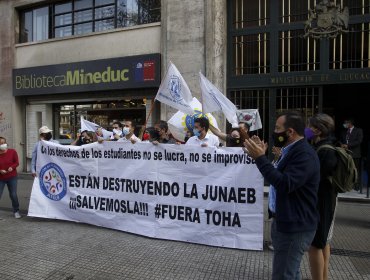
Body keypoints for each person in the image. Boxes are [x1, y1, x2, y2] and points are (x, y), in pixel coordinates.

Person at [243, 111, 320, 280]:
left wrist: (260, 159)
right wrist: (259, 157)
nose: (275, 132)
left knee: (283, 275)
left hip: (295, 227)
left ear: (290, 132)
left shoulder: (304, 154)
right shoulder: (289, 150)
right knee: (291, 273)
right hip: (285, 222)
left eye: (278, 128)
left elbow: (285, 184)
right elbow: (276, 177)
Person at [306, 114, 338, 280]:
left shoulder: (324, 151)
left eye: (309, 126)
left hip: (321, 201)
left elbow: (314, 178)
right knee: (324, 242)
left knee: (315, 244)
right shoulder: (325, 147)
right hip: (326, 200)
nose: (307, 129)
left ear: (317, 130)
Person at [0, 137, 21, 218]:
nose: (2, 145)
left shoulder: (12, 152)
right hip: (1, 178)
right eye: (0, 143)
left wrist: (12, 167)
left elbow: (17, 162)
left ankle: (16, 211)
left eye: (3, 143)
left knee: (13, 194)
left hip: (12, 176)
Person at [340, 118, 363, 190]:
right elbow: (341, 140)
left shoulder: (358, 130)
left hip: (355, 154)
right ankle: (346, 185)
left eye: (346, 123)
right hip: (345, 154)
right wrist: (342, 144)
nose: (344, 124)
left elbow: (359, 141)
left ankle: (356, 185)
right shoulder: (344, 131)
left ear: (350, 123)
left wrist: (348, 145)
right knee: (345, 169)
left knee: (355, 170)